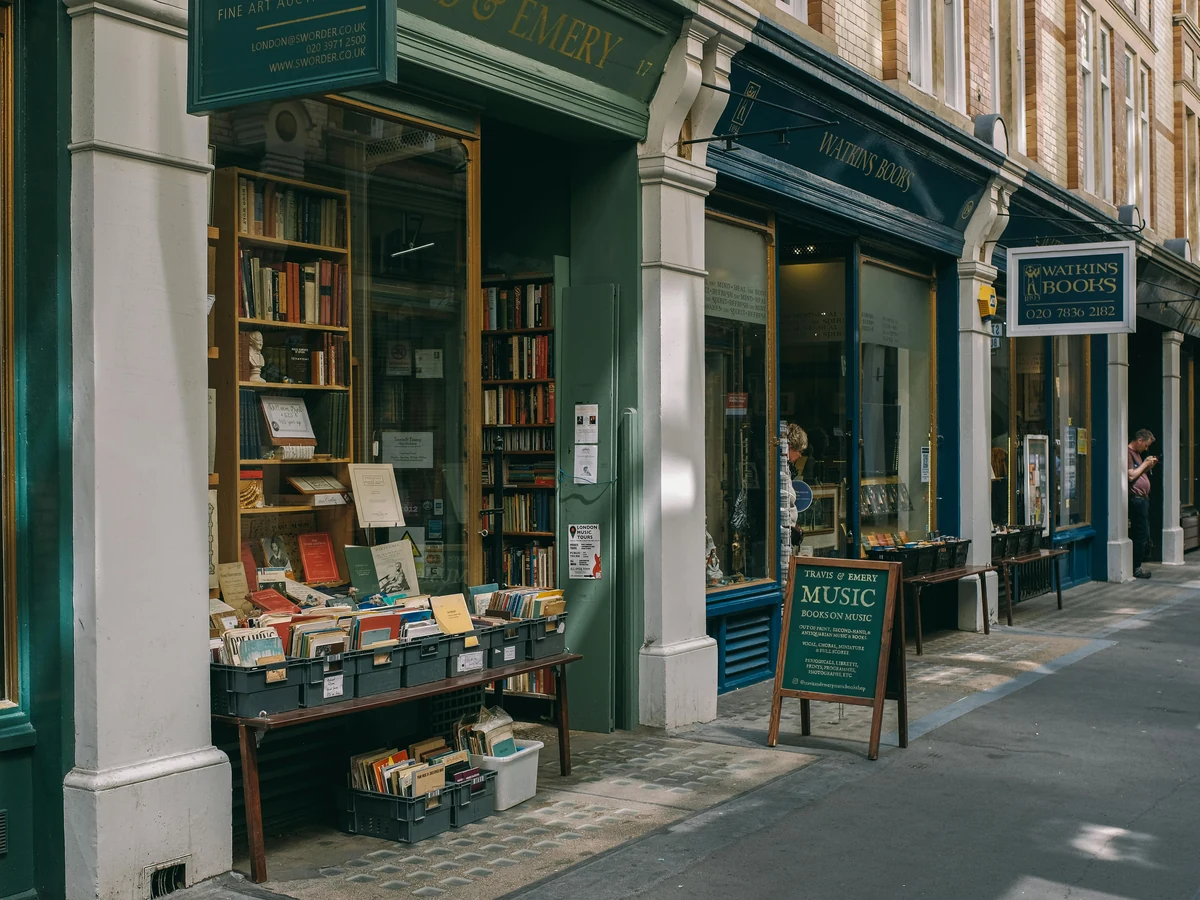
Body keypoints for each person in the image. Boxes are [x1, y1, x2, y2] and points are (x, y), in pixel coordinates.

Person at [1128, 428, 1159, 579]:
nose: (1146, 448)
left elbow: (1139, 473)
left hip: (1143, 499)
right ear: (1139, 441)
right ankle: (1136, 567)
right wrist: (1145, 464)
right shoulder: (1128, 453)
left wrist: (1148, 466)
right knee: (1141, 533)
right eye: (1146, 445)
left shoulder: (1138, 455)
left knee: (1144, 533)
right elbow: (1131, 475)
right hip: (1136, 500)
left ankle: (1137, 564)